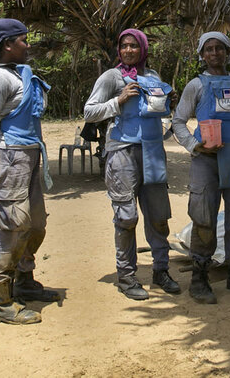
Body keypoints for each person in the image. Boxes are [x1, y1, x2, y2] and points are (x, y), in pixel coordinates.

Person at [0, 18, 59, 324]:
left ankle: (25, 281)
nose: (28, 44)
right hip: (7, 155)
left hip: (27, 156)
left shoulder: (17, 74)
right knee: (13, 225)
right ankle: (3, 303)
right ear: (7, 44)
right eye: (24, 39)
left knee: (35, 224)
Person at [83, 29, 181, 300]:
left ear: (143, 49)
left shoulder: (153, 77)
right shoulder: (111, 77)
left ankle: (161, 271)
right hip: (122, 154)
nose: (128, 51)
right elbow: (89, 112)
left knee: (159, 217)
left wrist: (167, 107)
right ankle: (127, 277)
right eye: (124, 46)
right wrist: (119, 100)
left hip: (152, 152)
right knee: (127, 218)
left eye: (133, 46)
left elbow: (159, 114)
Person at [172, 32, 230, 304]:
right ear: (201, 55)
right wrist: (195, 145)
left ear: (227, 52)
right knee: (204, 221)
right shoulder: (195, 86)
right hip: (207, 163)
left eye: (219, 48)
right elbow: (178, 121)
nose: (214, 53)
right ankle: (199, 280)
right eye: (208, 49)